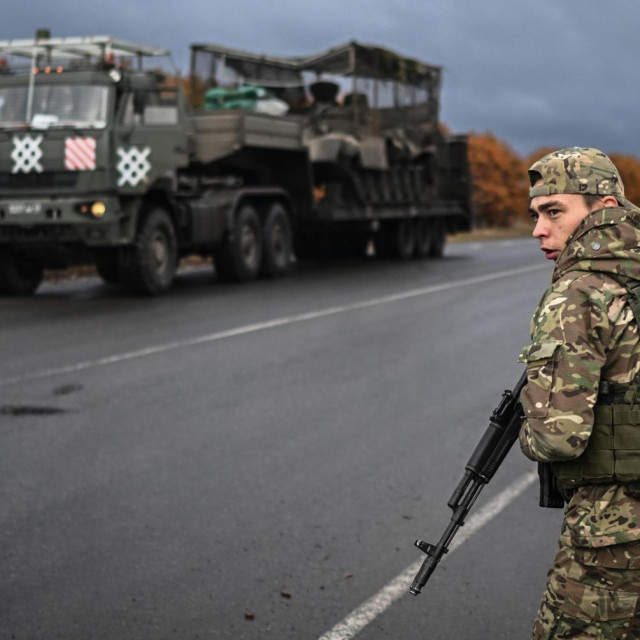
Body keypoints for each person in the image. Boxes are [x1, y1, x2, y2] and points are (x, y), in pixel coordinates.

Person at [519, 147, 640, 639]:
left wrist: (529, 427)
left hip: (613, 535)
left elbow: (556, 439)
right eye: (535, 214)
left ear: (604, 206)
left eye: (554, 212)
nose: (538, 230)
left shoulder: (579, 291)